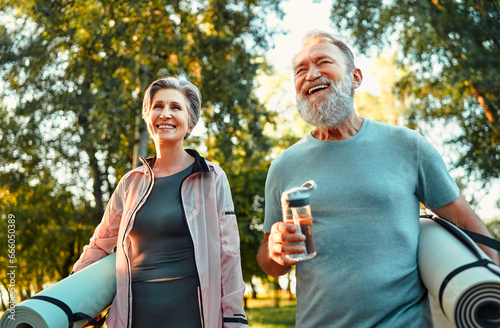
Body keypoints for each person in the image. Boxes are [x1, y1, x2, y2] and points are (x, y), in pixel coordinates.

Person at [257, 30, 498, 328]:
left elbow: (465, 221)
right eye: (301, 69)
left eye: (323, 62)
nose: (311, 74)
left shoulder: (408, 145)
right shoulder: (283, 166)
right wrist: (275, 251)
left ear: (355, 77)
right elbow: (270, 264)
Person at [73, 77, 248, 328]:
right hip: (134, 315)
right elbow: (100, 245)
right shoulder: (130, 183)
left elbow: (229, 255)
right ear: (148, 116)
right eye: (158, 106)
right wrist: (69, 293)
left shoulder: (212, 178)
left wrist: (234, 320)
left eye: (176, 108)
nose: (165, 114)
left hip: (192, 316)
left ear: (190, 122)